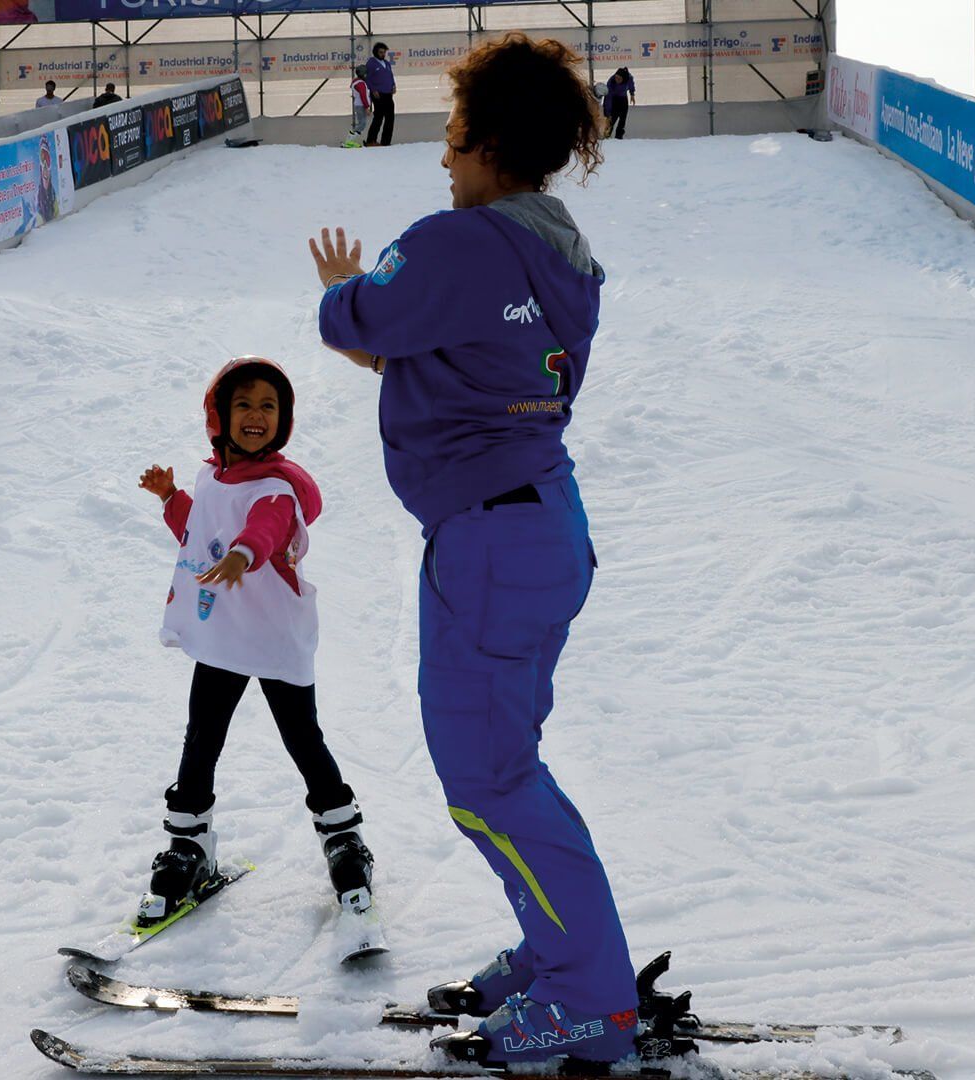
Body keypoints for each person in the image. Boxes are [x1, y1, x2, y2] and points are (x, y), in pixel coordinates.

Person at [307, 32, 633, 1071]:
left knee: (486, 782)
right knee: (508, 769)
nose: (442, 164)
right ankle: (560, 952)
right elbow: (457, 361)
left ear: (491, 145)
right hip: (540, 530)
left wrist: (340, 290)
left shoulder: (459, 242)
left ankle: (589, 996)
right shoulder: (560, 254)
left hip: (492, 542)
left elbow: (360, 316)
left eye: (451, 142)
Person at [134, 357, 375, 930]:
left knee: (302, 739)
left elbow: (261, 529)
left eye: (269, 406)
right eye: (243, 405)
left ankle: (344, 839)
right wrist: (172, 500)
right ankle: (190, 846)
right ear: (219, 416)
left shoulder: (277, 489)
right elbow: (204, 536)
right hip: (223, 639)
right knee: (202, 738)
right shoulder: (212, 479)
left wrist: (246, 554)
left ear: (283, 419)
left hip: (273, 638)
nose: (256, 416)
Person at [363, 43, 396, 146]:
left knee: (390, 118)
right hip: (378, 94)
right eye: (381, 52)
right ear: (376, 52)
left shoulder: (387, 63)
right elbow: (367, 78)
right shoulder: (371, 63)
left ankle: (386, 141)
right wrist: (373, 89)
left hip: (388, 94)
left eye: (384, 52)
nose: (383, 54)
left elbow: (390, 75)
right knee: (378, 117)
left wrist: (394, 85)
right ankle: (371, 140)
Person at [603, 68, 635, 139]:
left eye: (619, 79)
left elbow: (631, 84)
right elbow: (608, 99)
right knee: (611, 120)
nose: (617, 80)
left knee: (622, 120)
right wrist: (608, 114)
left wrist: (632, 93)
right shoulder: (611, 82)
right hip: (613, 100)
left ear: (623, 78)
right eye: (616, 78)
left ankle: (619, 137)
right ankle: (606, 136)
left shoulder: (628, 78)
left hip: (623, 100)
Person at [345, 65, 372, 148]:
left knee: (361, 123)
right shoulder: (361, 83)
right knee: (362, 124)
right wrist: (367, 107)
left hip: (359, 104)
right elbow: (363, 95)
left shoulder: (356, 82)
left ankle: (350, 140)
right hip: (361, 105)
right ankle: (349, 141)